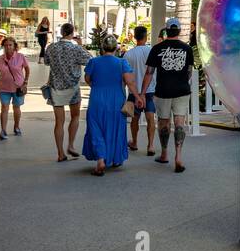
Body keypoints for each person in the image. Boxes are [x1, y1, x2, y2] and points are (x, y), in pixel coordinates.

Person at [141, 17, 193, 173]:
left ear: (166, 30)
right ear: (179, 31)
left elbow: (149, 73)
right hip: (182, 91)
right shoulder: (187, 49)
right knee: (179, 123)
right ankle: (178, 156)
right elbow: (189, 72)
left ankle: (164, 154)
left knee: (164, 123)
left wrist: (142, 93)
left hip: (163, 91)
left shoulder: (157, 48)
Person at [82, 35, 138, 177]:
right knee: (115, 129)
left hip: (97, 99)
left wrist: (98, 86)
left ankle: (101, 159)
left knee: (96, 128)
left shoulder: (93, 62)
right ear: (116, 48)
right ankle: (116, 158)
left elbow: (87, 79)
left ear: (102, 48)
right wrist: (138, 97)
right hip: (116, 100)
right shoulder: (121, 62)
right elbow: (130, 82)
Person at [43, 23, 91, 162]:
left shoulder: (51, 47)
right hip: (73, 87)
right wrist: (81, 45)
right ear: (72, 33)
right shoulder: (75, 49)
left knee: (59, 122)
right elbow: (90, 60)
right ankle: (70, 145)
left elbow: (46, 62)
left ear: (61, 32)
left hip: (55, 87)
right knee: (75, 116)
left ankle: (60, 153)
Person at [123, 26, 158, 156]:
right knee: (150, 118)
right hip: (150, 90)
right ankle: (151, 146)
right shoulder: (152, 51)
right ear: (146, 36)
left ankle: (135, 142)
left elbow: (125, 75)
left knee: (134, 119)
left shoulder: (128, 54)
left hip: (134, 92)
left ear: (135, 36)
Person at [0, 36, 30, 141]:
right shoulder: (0, 59)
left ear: (14, 46)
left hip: (18, 88)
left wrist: (25, 82)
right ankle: (3, 131)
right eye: (6, 45)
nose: (8, 47)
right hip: (4, 88)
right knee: (4, 108)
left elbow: (27, 69)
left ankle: (16, 127)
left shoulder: (20, 57)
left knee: (16, 108)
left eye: (10, 45)